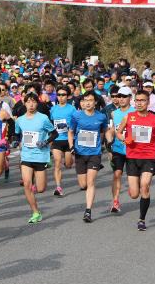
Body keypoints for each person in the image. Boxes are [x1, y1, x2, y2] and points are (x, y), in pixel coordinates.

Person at [116, 90, 155, 231]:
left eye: (142, 100)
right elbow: (118, 132)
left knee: (145, 187)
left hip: (149, 157)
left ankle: (141, 219)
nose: (139, 103)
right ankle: (135, 186)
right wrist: (124, 139)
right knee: (134, 194)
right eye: (137, 100)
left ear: (148, 102)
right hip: (132, 157)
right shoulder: (129, 117)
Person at [14, 92, 58, 223]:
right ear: (25, 103)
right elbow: (16, 134)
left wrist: (45, 142)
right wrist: (15, 141)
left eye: (34, 102)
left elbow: (54, 133)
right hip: (26, 155)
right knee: (27, 184)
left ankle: (45, 168)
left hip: (40, 155)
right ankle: (35, 212)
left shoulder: (43, 118)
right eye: (28, 102)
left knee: (40, 189)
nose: (31, 104)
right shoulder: (20, 120)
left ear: (37, 103)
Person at [68, 91, 108, 222]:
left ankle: (88, 211)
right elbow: (71, 131)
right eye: (86, 100)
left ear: (95, 102)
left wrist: (108, 142)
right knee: (83, 184)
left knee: (91, 183)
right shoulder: (76, 115)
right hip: (79, 153)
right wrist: (71, 146)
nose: (88, 103)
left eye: (91, 100)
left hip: (94, 154)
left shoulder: (101, 117)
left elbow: (104, 131)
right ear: (83, 102)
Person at [106, 86, 135, 213]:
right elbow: (112, 130)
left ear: (130, 98)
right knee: (117, 174)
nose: (121, 99)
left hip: (133, 150)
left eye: (124, 96)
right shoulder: (114, 113)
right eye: (119, 96)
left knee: (133, 181)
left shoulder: (135, 112)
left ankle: (133, 187)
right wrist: (109, 141)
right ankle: (115, 202)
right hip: (118, 149)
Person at [49, 85, 76, 196]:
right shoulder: (53, 109)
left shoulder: (72, 109)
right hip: (57, 140)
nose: (60, 97)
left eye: (63, 95)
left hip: (68, 140)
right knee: (57, 162)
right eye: (59, 95)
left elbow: (76, 124)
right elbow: (50, 124)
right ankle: (58, 187)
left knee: (68, 164)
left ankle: (68, 161)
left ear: (68, 96)